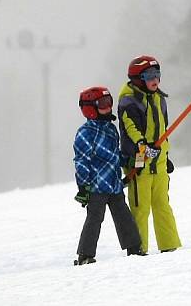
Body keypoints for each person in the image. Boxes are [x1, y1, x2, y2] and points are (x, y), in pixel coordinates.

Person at [117, 55, 181, 254]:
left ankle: (169, 245)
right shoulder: (129, 101)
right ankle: (138, 249)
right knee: (140, 208)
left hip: (159, 163)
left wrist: (165, 155)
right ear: (138, 79)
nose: (155, 80)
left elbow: (163, 129)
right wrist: (144, 147)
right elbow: (131, 129)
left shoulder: (159, 98)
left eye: (157, 74)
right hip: (139, 163)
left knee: (162, 205)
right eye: (149, 75)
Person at [73, 86, 143, 265]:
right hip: (96, 187)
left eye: (109, 102)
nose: (108, 107)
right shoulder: (85, 133)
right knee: (95, 219)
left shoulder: (111, 129)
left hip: (113, 184)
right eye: (103, 104)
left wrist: (127, 161)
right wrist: (84, 186)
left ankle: (134, 247)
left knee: (123, 216)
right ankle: (85, 255)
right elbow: (81, 161)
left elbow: (114, 155)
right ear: (90, 108)